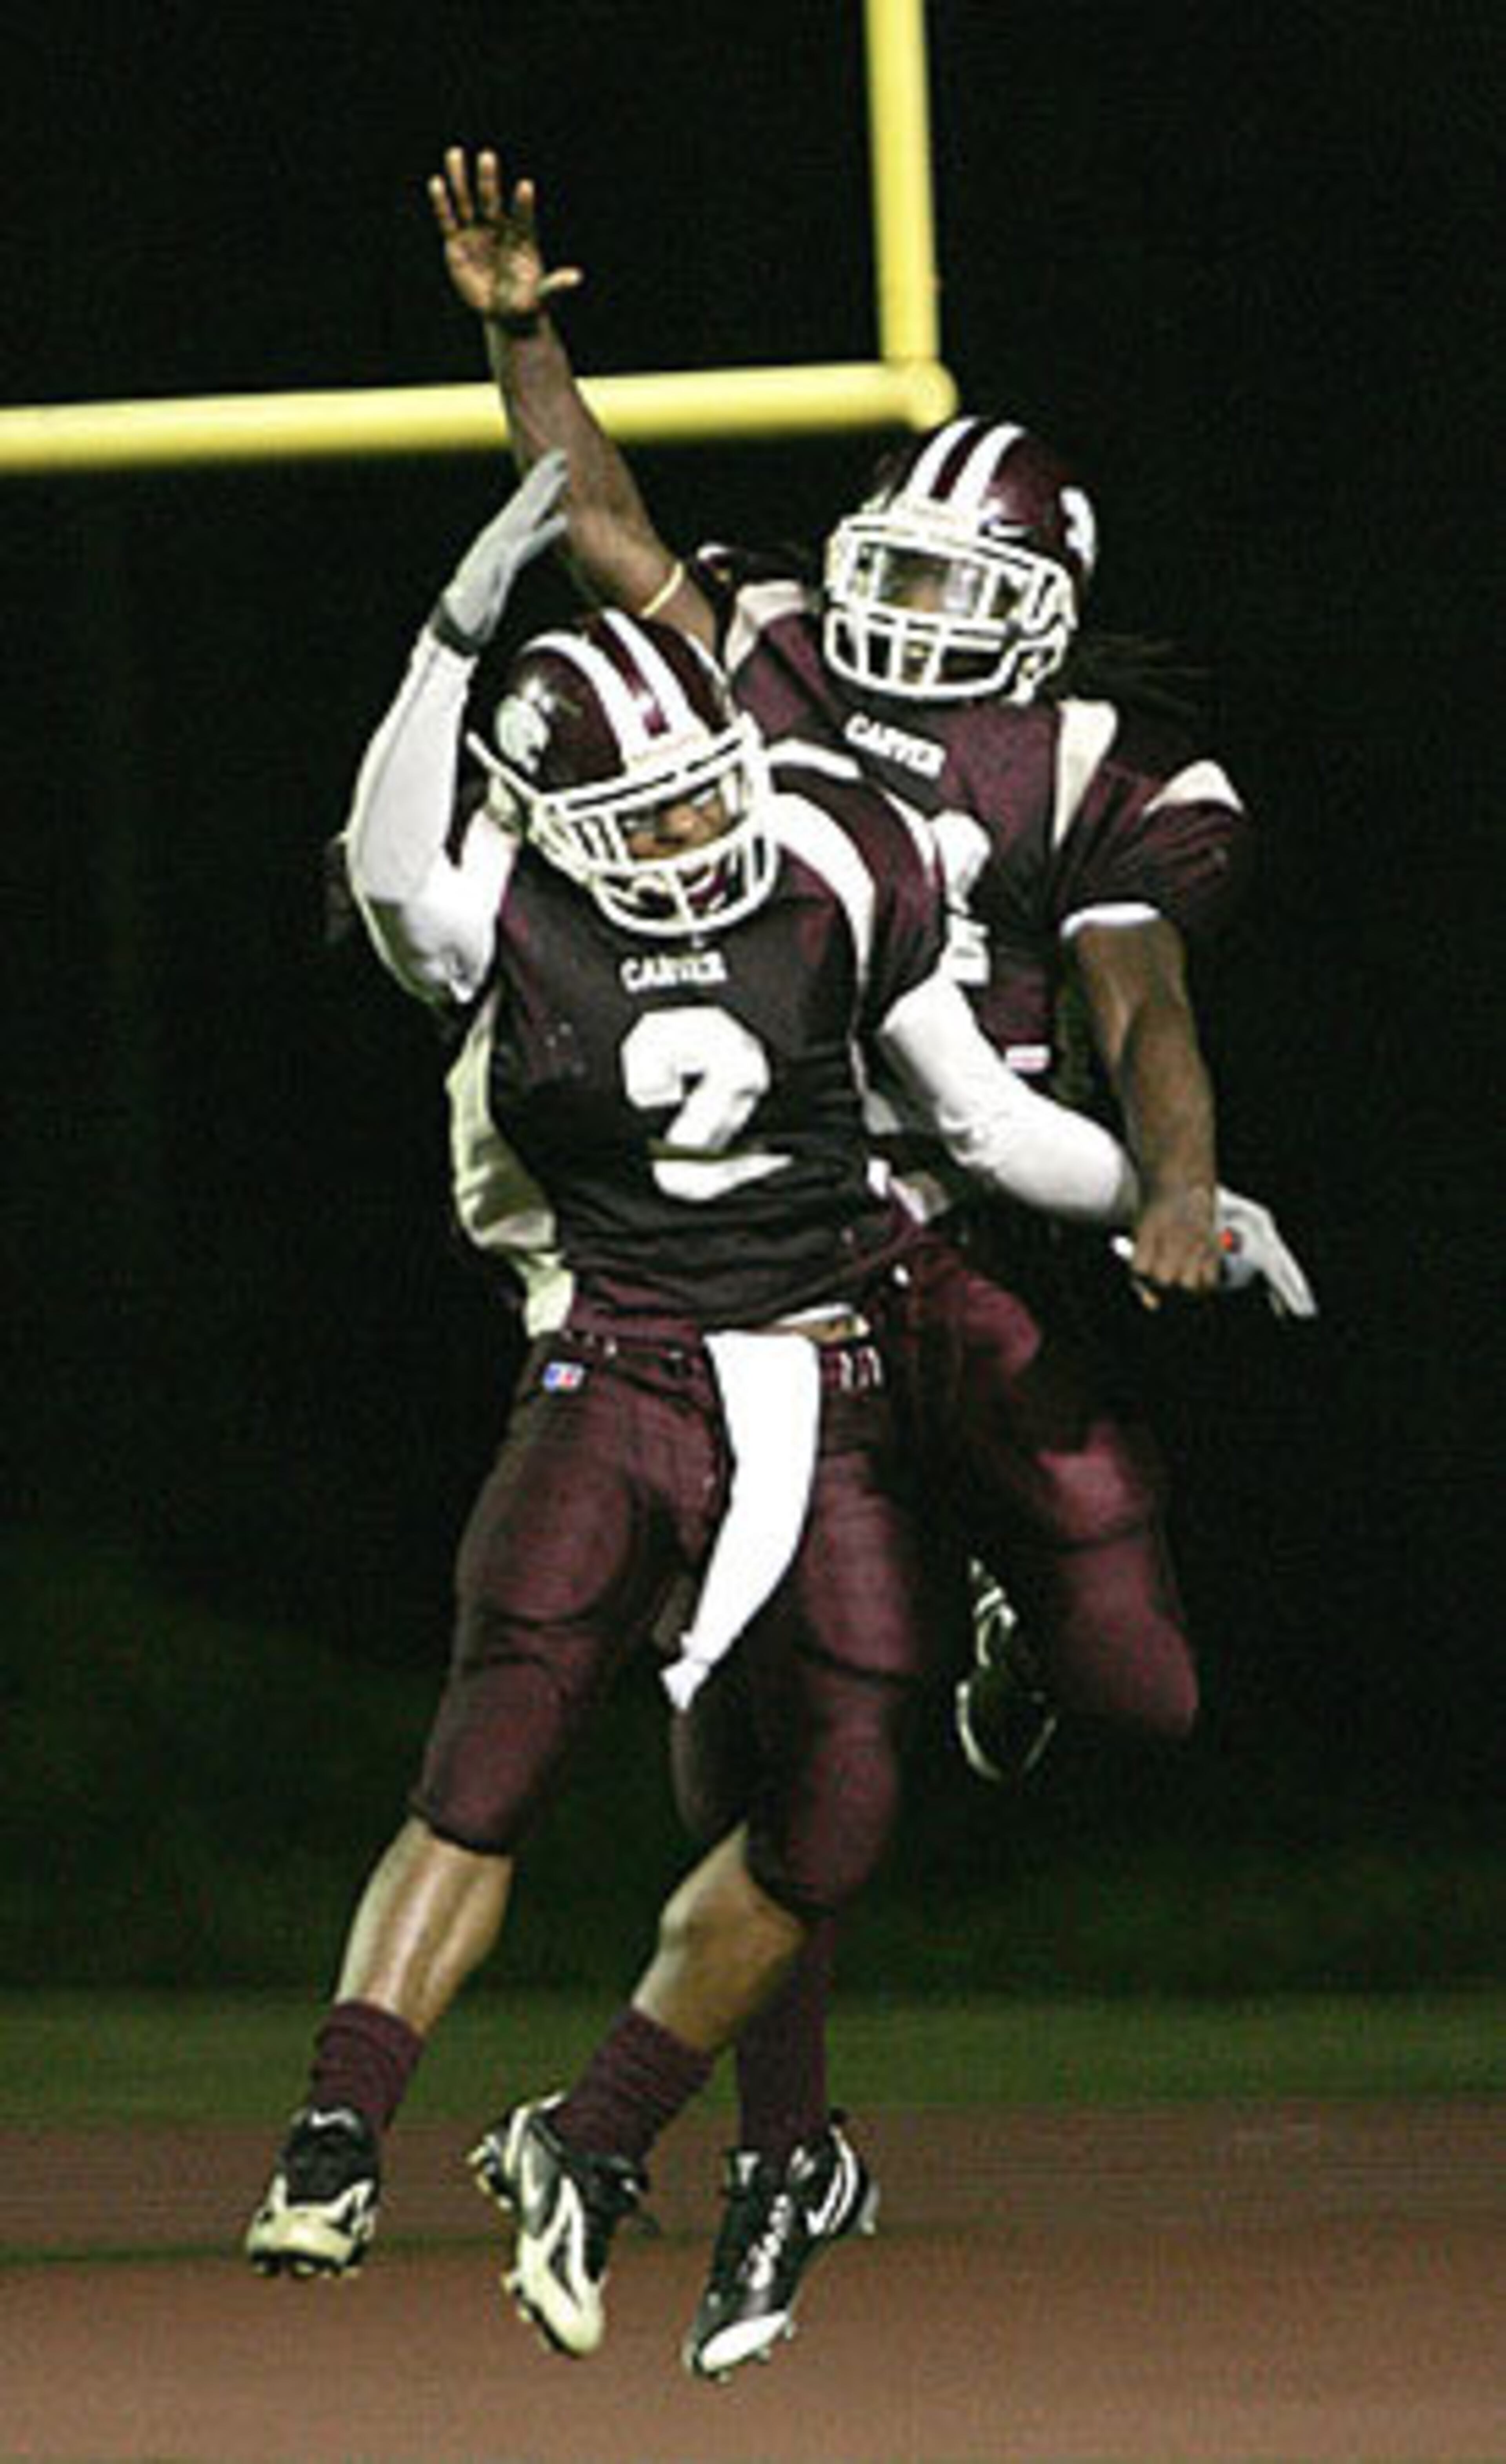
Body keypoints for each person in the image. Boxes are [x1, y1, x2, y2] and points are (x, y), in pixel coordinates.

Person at [424, 147, 1317, 2379]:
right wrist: (524, 329)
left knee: (1144, 1682)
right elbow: (608, 523)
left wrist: (1182, 1182)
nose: (900, 619)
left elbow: (1142, 1016)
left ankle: (1017, 1623)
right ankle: (777, 2151)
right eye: (884, 572)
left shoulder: (1105, 767)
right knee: (759, 1737)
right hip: (774, 1264)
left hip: (978, 1234)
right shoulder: (783, 649)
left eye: (955, 581)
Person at [243, 453, 1175, 2366]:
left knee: (831, 1795)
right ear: (539, 825)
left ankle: (593, 2137)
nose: (686, 831)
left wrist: (1180, 1194)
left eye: (703, 787)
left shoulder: (828, 848)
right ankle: (362, 2127)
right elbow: (400, 849)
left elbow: (986, 1119)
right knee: (524, 1757)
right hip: (613, 1359)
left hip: (823, 1365)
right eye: (638, 808)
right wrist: (450, 621)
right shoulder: (485, 909)